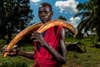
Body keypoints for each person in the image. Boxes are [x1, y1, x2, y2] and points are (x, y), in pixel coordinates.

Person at [3, 2, 74, 67]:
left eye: (45, 12)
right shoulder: (37, 31)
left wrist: (45, 43)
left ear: (51, 14)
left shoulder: (59, 29)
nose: (42, 15)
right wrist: (19, 52)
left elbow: (63, 60)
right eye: (40, 12)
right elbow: (37, 55)